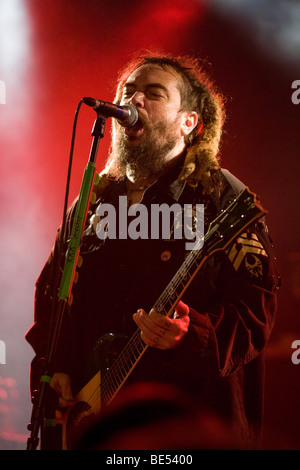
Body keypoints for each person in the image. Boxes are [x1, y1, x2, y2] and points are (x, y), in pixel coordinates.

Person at [26, 53, 280, 450]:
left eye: (153, 93)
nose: (135, 100)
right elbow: (52, 293)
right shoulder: (93, 202)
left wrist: (192, 334)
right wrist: (54, 364)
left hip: (188, 424)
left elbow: (257, 310)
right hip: (102, 421)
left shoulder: (221, 196)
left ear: (189, 122)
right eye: (128, 91)